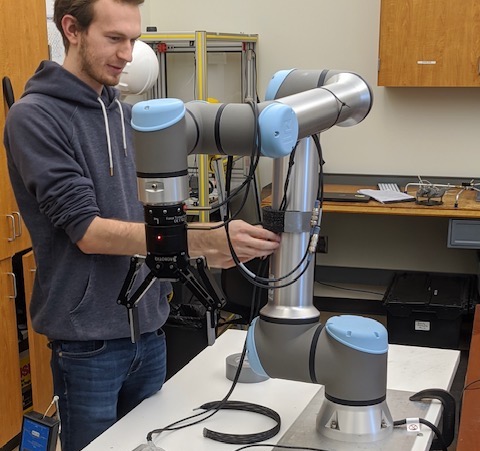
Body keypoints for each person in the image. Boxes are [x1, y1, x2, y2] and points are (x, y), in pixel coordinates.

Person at [3, 0, 280, 450]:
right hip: (88, 342)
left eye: (133, 40)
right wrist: (204, 243)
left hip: (149, 327)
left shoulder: (126, 114)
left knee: (149, 444)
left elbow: (148, 215)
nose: (128, 54)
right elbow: (89, 231)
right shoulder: (35, 118)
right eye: (115, 39)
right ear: (72, 29)